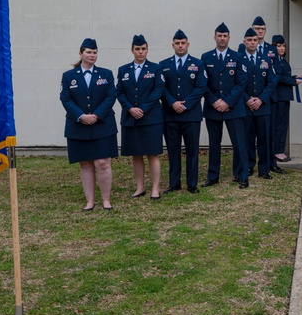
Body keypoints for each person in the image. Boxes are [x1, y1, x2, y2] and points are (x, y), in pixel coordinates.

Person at [59, 38, 117, 211]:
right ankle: (90, 201)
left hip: (102, 124)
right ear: (81, 54)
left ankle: (106, 200)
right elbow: (65, 98)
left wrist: (97, 114)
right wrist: (81, 116)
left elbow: (111, 96)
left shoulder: (106, 74)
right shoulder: (69, 76)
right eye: (89, 52)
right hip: (79, 125)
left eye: (95, 52)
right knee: (85, 163)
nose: (92, 55)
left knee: (103, 163)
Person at [116, 34, 165, 200]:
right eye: (137, 49)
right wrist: (130, 108)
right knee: (136, 154)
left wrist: (142, 109)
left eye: (143, 49)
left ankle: (155, 189)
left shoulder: (155, 68)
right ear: (132, 50)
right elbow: (120, 92)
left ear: (147, 50)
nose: (140, 52)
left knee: (152, 154)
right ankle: (140, 187)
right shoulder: (124, 70)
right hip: (131, 118)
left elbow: (158, 90)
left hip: (151, 118)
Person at [159, 29, 207, 194]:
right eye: (177, 43)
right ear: (173, 45)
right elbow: (161, 88)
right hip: (170, 114)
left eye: (183, 43)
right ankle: (174, 183)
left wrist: (185, 105)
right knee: (173, 150)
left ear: (188, 44)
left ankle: (192, 183)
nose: (180, 46)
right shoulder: (163, 65)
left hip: (191, 114)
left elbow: (201, 87)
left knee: (192, 150)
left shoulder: (198, 64)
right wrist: (172, 103)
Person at [201, 22, 249, 188]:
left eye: (225, 36)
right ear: (215, 37)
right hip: (213, 107)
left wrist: (227, 102)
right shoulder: (206, 57)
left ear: (229, 38)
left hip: (233, 107)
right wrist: (214, 101)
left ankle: (243, 176)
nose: (222, 39)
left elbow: (241, 83)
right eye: (219, 36)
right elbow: (203, 83)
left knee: (239, 144)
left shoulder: (238, 57)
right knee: (214, 144)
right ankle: (213, 177)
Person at [240, 27, 279, 181]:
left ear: (258, 42)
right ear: (244, 42)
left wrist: (261, 99)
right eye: (249, 40)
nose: (252, 42)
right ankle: (249, 166)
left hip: (263, 106)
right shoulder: (239, 59)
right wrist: (247, 99)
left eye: (255, 40)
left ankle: (264, 168)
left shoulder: (266, 59)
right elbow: (237, 83)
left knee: (264, 139)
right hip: (246, 106)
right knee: (248, 138)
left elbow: (271, 81)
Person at [270, 34, 301, 167]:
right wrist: (293, 81)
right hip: (278, 97)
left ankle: (280, 150)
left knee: (283, 125)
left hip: (285, 96)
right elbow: (279, 77)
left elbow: (284, 76)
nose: (281, 48)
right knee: (278, 125)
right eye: (278, 46)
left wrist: (294, 77)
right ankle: (276, 151)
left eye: (283, 46)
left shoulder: (282, 60)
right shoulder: (273, 60)